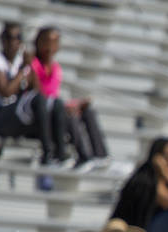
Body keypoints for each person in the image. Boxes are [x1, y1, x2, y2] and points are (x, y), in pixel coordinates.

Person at [0, 22, 69, 166]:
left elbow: (37, 90)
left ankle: (60, 155)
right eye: (9, 38)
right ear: (1, 40)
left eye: (17, 38)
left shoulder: (19, 63)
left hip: (7, 117)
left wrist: (31, 68)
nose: (13, 42)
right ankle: (47, 155)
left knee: (56, 104)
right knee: (37, 102)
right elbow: (6, 92)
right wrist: (23, 71)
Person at [31, 26, 109, 169]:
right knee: (69, 115)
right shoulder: (32, 64)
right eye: (47, 41)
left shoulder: (55, 68)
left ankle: (101, 156)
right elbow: (39, 95)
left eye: (55, 42)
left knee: (88, 111)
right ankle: (84, 157)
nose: (51, 46)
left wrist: (76, 104)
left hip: (55, 108)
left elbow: (53, 95)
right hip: (39, 113)